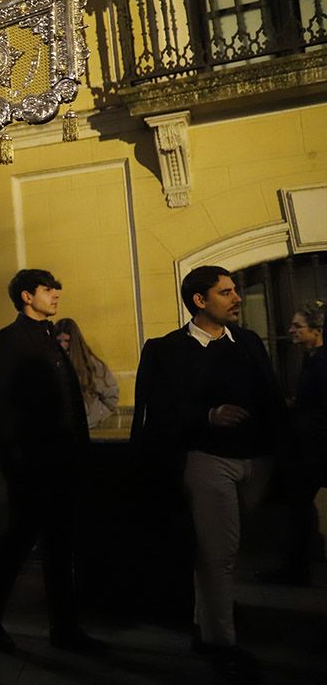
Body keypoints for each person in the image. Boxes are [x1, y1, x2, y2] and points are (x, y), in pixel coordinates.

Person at [132, 265, 283, 682]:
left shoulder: (248, 342)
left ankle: (210, 624)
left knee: (225, 551)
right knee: (219, 555)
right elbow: (156, 413)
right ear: (200, 301)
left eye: (235, 290)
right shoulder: (166, 349)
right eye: (226, 292)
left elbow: (268, 397)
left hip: (255, 459)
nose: (237, 297)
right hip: (207, 458)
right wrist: (207, 415)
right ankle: (220, 642)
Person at [0, 269, 106, 656]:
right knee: (19, 541)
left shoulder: (50, 338)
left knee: (59, 546)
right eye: (48, 290)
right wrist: (16, 457)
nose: (56, 295)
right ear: (27, 296)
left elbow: (68, 402)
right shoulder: (10, 340)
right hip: (32, 464)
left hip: (62, 461)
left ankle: (64, 628)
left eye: (56, 288)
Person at [260, 299, 326, 586]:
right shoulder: (313, 359)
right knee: (298, 507)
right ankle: (296, 566)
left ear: (317, 329)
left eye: (298, 326)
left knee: (298, 507)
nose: (291, 330)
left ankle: (296, 568)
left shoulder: (322, 362)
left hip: (315, 447)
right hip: (309, 446)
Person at [56, 317, 119, 430]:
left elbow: (111, 397)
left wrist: (95, 417)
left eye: (66, 341)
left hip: (88, 428)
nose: (62, 346)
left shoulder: (91, 365)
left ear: (74, 341)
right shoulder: (52, 364)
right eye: (59, 341)